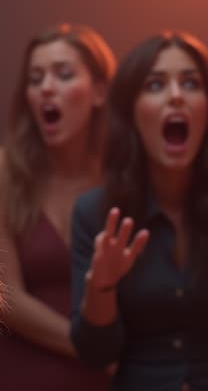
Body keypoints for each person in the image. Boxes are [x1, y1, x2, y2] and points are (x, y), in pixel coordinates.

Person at [0, 23, 116, 389]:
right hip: (21, 373)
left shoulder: (122, 180)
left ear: (99, 91)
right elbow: (5, 297)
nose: (47, 87)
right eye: (36, 79)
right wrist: (94, 348)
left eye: (64, 75)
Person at [71, 31, 208, 390]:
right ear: (132, 111)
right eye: (156, 84)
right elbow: (96, 354)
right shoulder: (96, 213)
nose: (176, 96)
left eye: (191, 83)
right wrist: (102, 285)